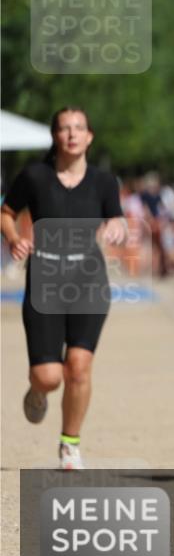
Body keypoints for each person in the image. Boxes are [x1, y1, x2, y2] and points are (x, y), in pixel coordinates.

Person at [0, 107, 127, 469]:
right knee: (49, 376)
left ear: (89, 136)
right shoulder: (34, 177)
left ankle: (70, 444)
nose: (72, 134)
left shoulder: (104, 181)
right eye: (65, 128)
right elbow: (6, 212)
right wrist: (13, 238)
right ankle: (38, 390)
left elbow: (116, 217)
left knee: (79, 367)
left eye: (79, 128)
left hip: (89, 281)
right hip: (46, 280)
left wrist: (116, 226)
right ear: (55, 136)